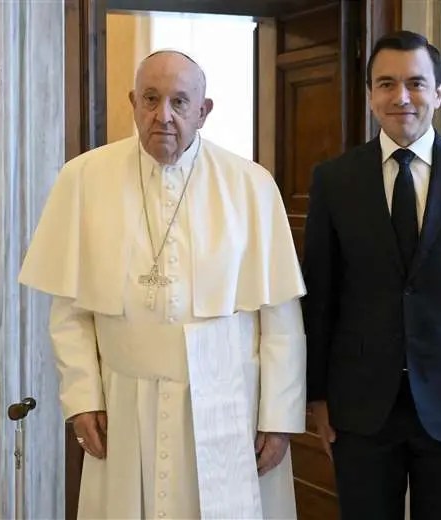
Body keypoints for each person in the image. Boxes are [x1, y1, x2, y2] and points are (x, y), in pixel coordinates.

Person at [19, 50, 307, 519]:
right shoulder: (83, 178)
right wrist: (82, 398)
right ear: (133, 102)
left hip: (226, 402)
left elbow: (280, 318)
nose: (163, 116)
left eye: (179, 102)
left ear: (203, 110)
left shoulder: (251, 184)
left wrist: (279, 417)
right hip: (124, 400)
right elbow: (70, 311)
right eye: (151, 99)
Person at [302, 31, 441, 519]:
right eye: (386, 83)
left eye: (416, 83)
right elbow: (319, 297)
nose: (401, 97)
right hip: (360, 405)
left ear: (438, 93)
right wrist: (314, 394)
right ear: (370, 96)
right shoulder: (334, 180)